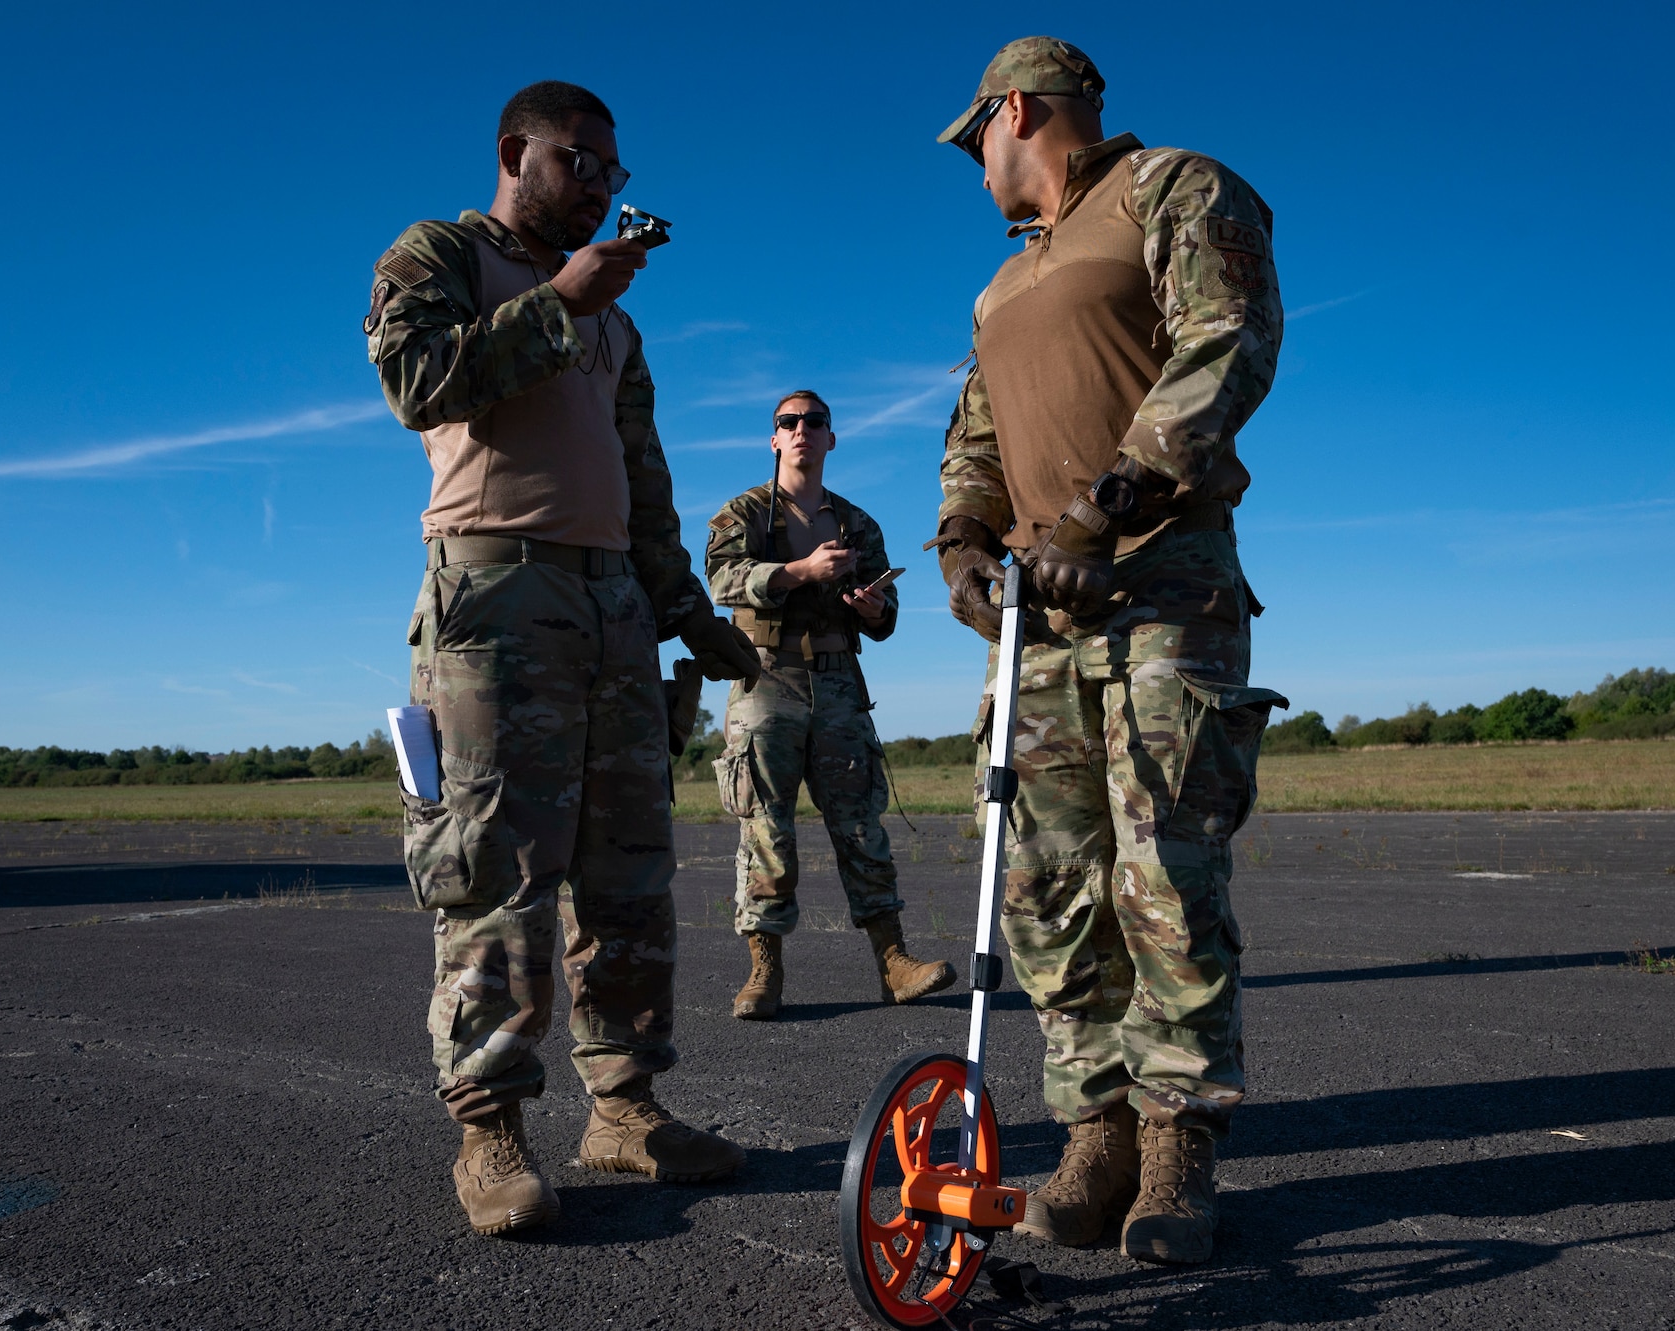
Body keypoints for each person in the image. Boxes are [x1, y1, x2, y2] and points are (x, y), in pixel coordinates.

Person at [366, 79, 762, 1237]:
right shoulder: (438, 253)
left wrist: (689, 613)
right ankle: (489, 1125)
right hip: (494, 595)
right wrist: (555, 304)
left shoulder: (618, 323)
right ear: (514, 152)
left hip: (612, 608)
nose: (596, 185)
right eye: (578, 161)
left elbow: (643, 487)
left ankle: (624, 1105)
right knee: (493, 863)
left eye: (610, 171)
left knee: (628, 868)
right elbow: (413, 382)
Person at [929, 38, 1288, 1265]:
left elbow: (1225, 341)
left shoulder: (1171, 189)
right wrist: (963, 550)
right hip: (1037, 616)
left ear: (1015, 110)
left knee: (1164, 882)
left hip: (1162, 587)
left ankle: (1175, 1139)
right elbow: (970, 435)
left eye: (973, 137)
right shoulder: (999, 285)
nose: (972, 164)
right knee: (1045, 889)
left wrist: (1106, 509)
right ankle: (1093, 1128)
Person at [704, 392, 957, 1020]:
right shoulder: (743, 513)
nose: (800, 432)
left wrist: (874, 608)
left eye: (813, 423)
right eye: (787, 424)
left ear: (830, 439)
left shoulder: (856, 522)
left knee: (863, 827)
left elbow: (887, 620)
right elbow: (720, 579)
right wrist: (798, 571)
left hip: (840, 680)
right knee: (767, 829)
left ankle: (894, 962)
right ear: (774, 441)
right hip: (767, 677)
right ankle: (764, 970)